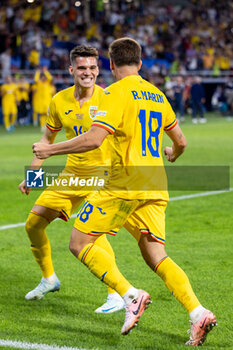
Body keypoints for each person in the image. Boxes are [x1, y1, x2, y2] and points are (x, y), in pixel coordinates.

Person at [33, 38, 217, 346]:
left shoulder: (114, 93)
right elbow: (181, 141)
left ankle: (130, 295)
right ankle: (198, 313)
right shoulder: (157, 94)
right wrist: (172, 152)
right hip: (155, 184)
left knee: (79, 242)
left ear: (111, 64)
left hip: (124, 183)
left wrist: (50, 150)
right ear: (141, 63)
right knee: (156, 255)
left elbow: (93, 139)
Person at [19, 45, 125, 314]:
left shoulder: (108, 98)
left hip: (102, 175)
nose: (87, 73)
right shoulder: (58, 100)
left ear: (98, 70)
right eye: (81, 68)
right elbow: (46, 141)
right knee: (33, 224)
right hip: (72, 175)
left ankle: (116, 294)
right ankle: (49, 279)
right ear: (71, 70)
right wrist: (33, 176)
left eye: (92, 68)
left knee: (91, 233)